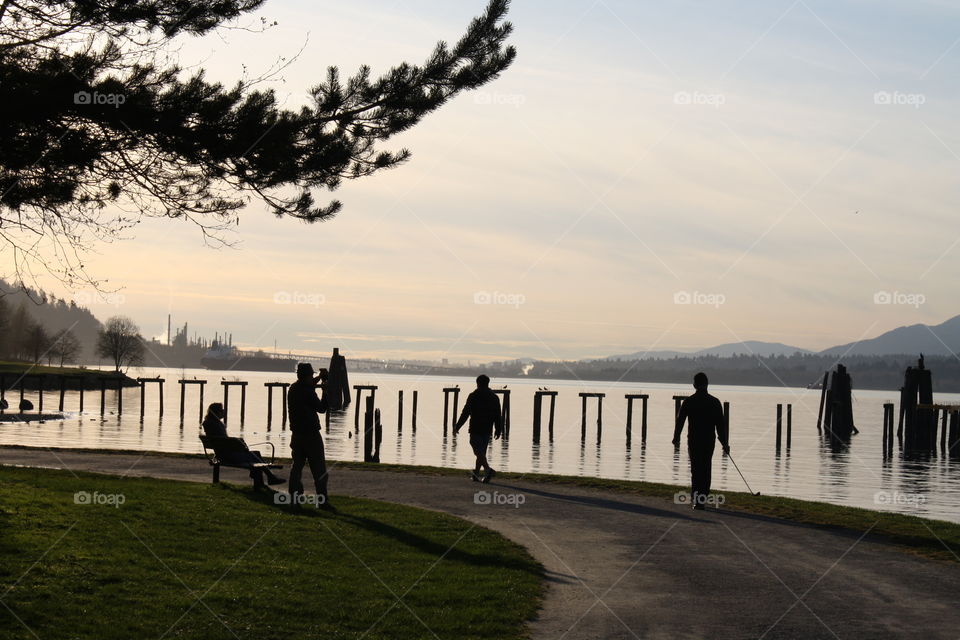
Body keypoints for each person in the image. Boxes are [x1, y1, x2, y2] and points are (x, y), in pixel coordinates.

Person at [672, 372, 729, 510]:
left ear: (694, 385)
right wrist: (725, 443)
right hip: (709, 440)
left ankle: (697, 499)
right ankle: (702, 498)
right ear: (707, 384)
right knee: (706, 468)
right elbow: (720, 426)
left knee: (696, 469)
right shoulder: (715, 402)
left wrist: (676, 437)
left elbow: (680, 421)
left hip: (694, 440)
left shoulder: (689, 401)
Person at [201, 402, 285, 485]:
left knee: (255, 454)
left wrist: (238, 444)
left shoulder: (208, 423)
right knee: (255, 456)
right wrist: (239, 445)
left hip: (221, 455)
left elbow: (224, 442)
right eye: (221, 410)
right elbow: (226, 442)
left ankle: (267, 477)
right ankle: (269, 477)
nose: (224, 411)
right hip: (228, 457)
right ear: (217, 412)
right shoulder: (217, 425)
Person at [287, 362, 334, 510]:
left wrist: (319, 377)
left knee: (296, 468)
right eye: (311, 375)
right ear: (307, 376)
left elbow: (307, 385)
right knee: (319, 470)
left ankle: (294, 499)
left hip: (297, 435)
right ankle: (322, 501)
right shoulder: (308, 392)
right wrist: (325, 391)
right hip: (311, 435)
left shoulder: (293, 388)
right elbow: (321, 408)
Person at [454, 374, 503, 483]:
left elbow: (466, 412)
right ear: (488, 383)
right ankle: (476, 474)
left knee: (477, 449)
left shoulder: (473, 395)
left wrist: (458, 426)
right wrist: (498, 429)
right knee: (481, 452)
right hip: (488, 427)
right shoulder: (494, 397)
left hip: (475, 427)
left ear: (477, 383)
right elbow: (497, 415)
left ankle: (487, 470)